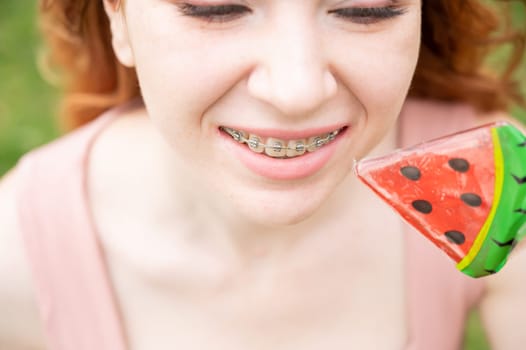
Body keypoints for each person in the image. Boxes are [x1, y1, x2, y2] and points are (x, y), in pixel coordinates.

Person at [1, 0, 525, 349]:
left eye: (365, 7)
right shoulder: (17, 259)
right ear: (118, 14)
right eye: (217, 6)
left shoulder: (493, 178)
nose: (297, 91)